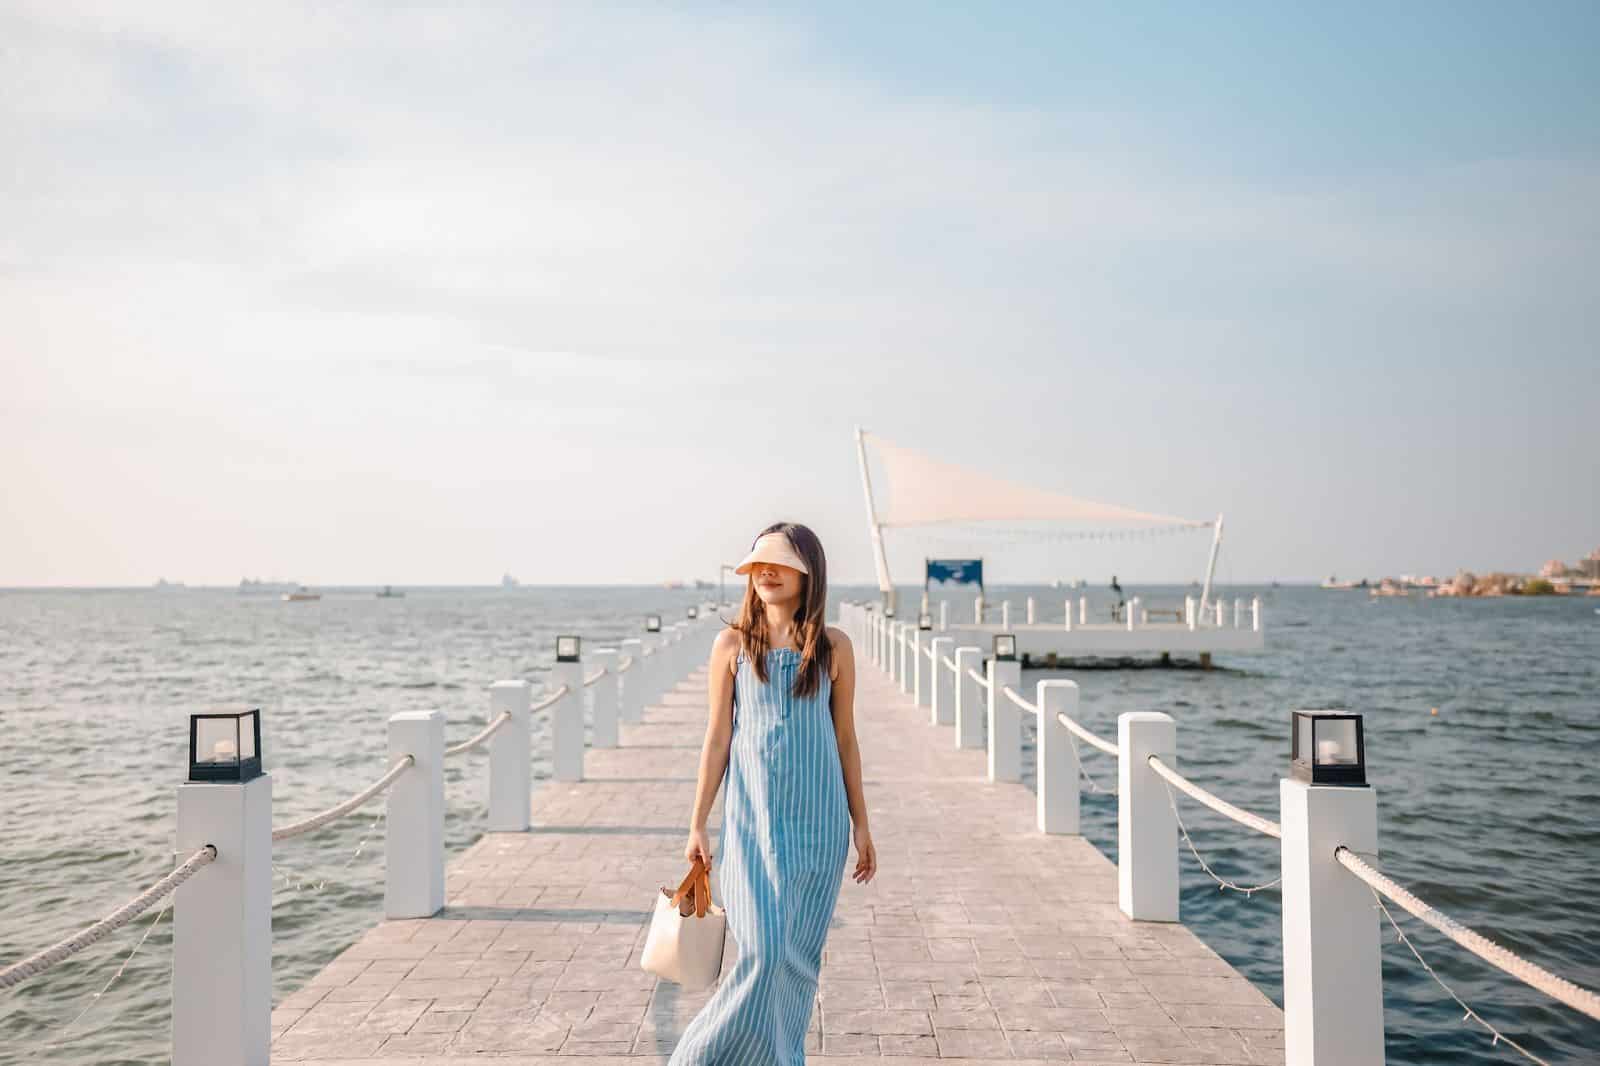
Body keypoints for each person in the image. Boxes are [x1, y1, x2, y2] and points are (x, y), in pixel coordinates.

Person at [669, 522, 877, 1064]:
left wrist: (861, 824)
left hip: (820, 826)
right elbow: (717, 738)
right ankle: (698, 1057)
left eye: (780, 563)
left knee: (797, 961)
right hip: (750, 825)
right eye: (759, 563)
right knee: (762, 953)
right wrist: (697, 824)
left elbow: (846, 739)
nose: (766, 572)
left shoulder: (834, 648)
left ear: (808, 573)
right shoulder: (732, 645)